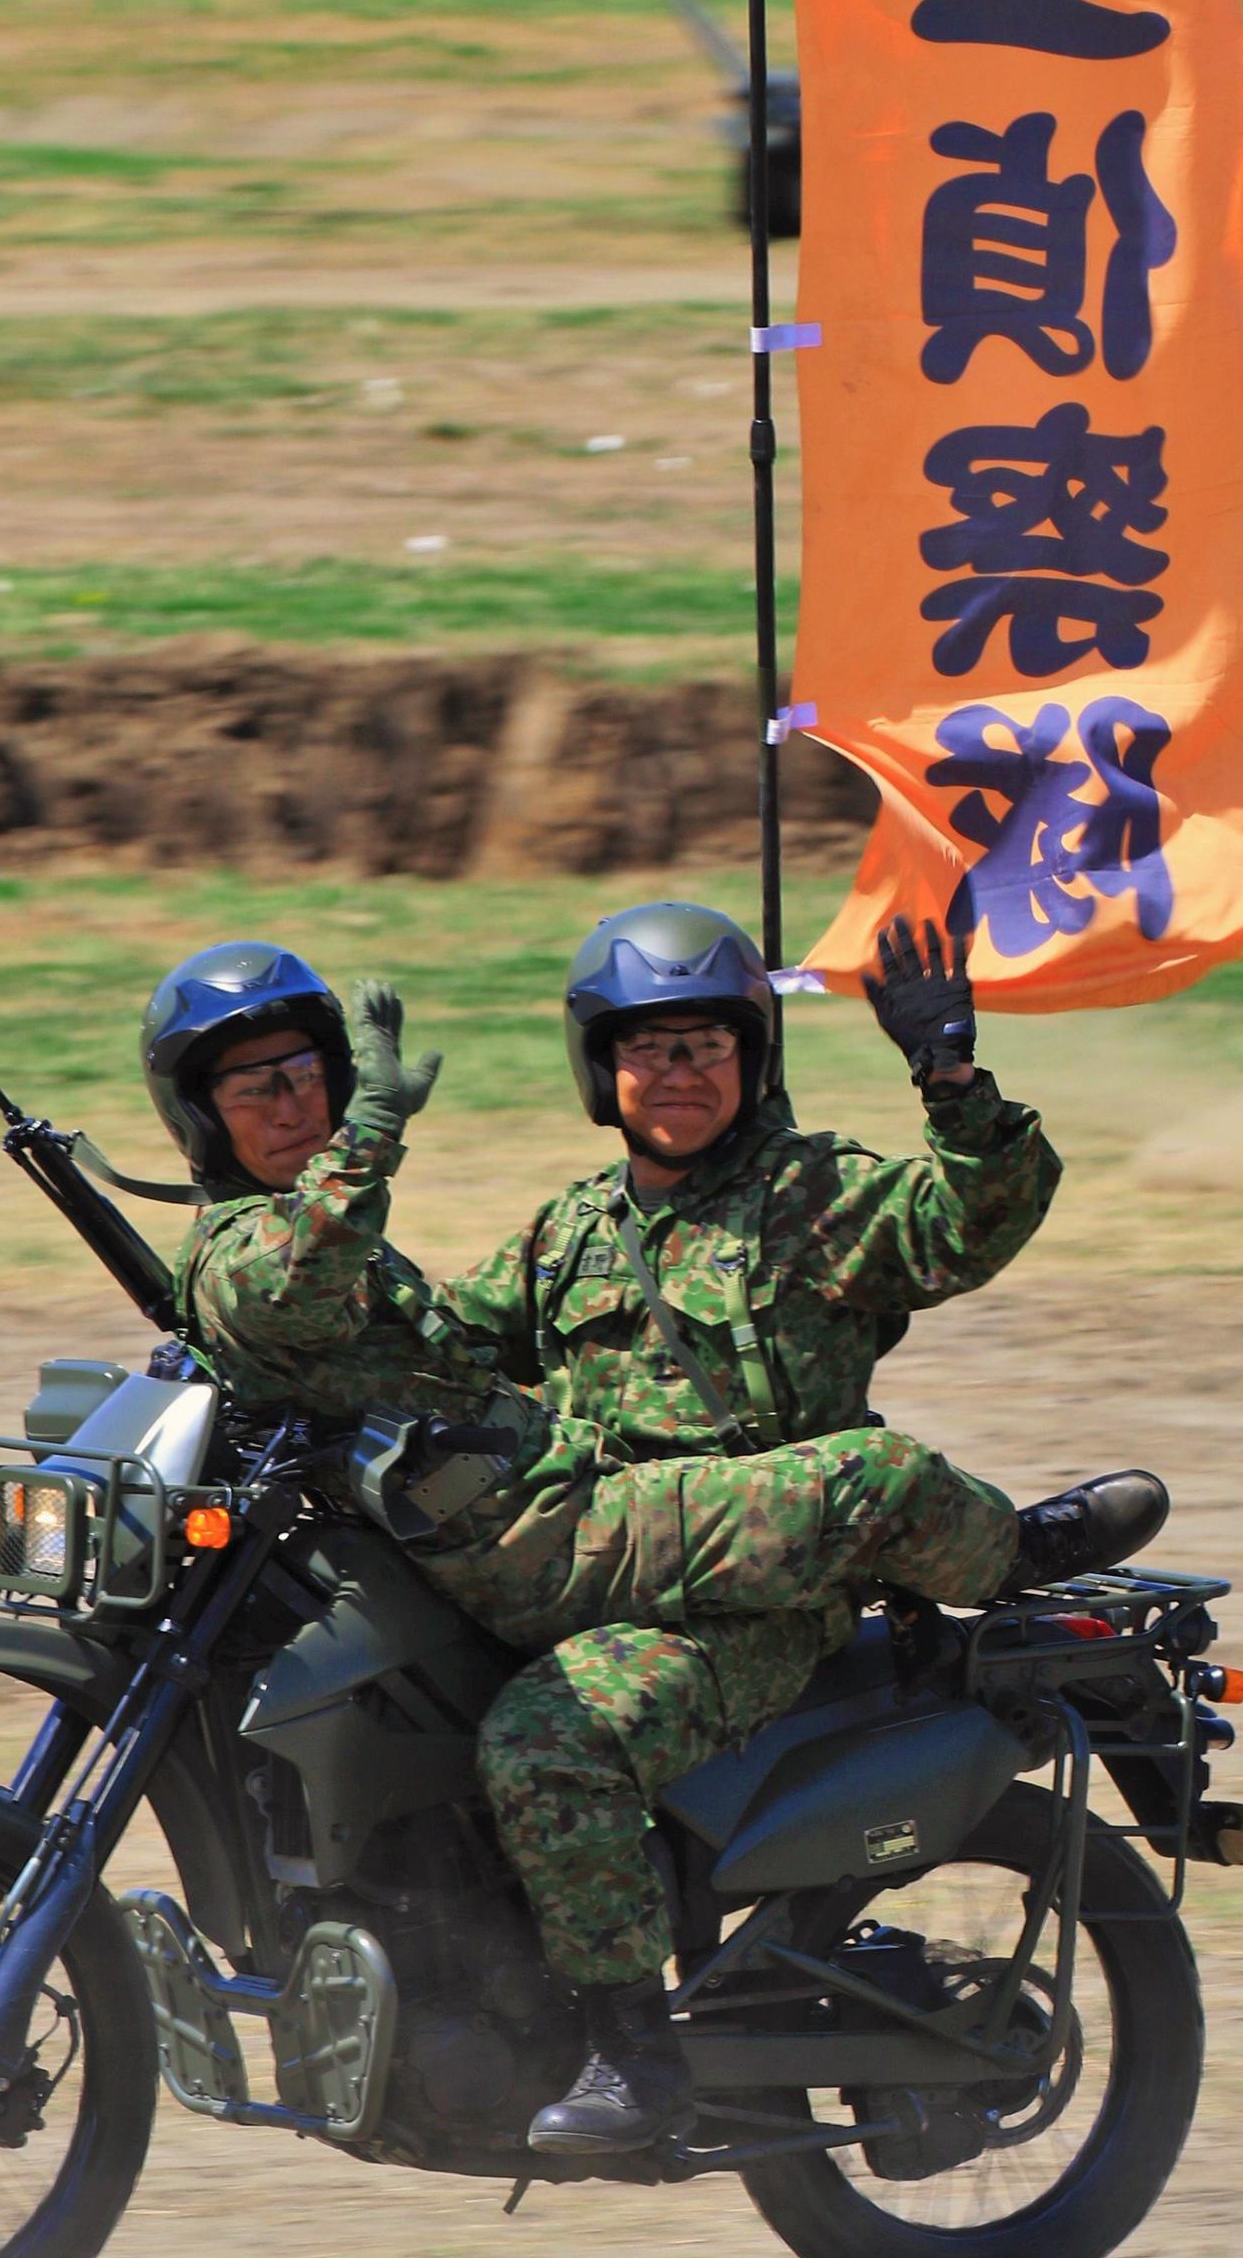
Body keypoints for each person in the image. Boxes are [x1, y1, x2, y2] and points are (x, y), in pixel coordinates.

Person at [145, 922, 1167, 2158]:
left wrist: (947, 1076)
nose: (675, 1074)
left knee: (549, 1737)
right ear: (600, 1072)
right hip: (601, 1560)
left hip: (757, 1603)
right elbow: (442, 1351)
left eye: (703, 1047)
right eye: (645, 1052)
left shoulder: (814, 1197)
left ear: (748, 1060)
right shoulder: (570, 1232)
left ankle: (634, 2055)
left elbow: (972, 1221)